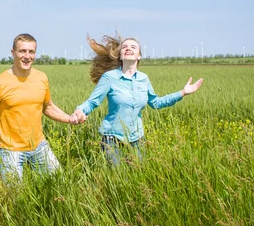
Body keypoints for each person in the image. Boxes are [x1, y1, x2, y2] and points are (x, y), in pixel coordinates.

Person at [69, 34, 204, 165]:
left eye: (133, 47)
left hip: (137, 139)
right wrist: (80, 110)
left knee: (137, 176)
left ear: (139, 56)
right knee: (118, 177)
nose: (128, 48)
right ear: (121, 55)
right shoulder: (109, 78)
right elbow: (93, 101)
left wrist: (183, 92)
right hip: (112, 138)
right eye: (124, 47)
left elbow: (156, 103)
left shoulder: (144, 79)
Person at [0, 33, 77, 180]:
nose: (27, 56)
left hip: (39, 146)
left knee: (59, 183)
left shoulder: (41, 78)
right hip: (11, 150)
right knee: (14, 195)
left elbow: (48, 107)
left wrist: (70, 119)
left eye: (31, 52)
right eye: (22, 51)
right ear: (13, 53)